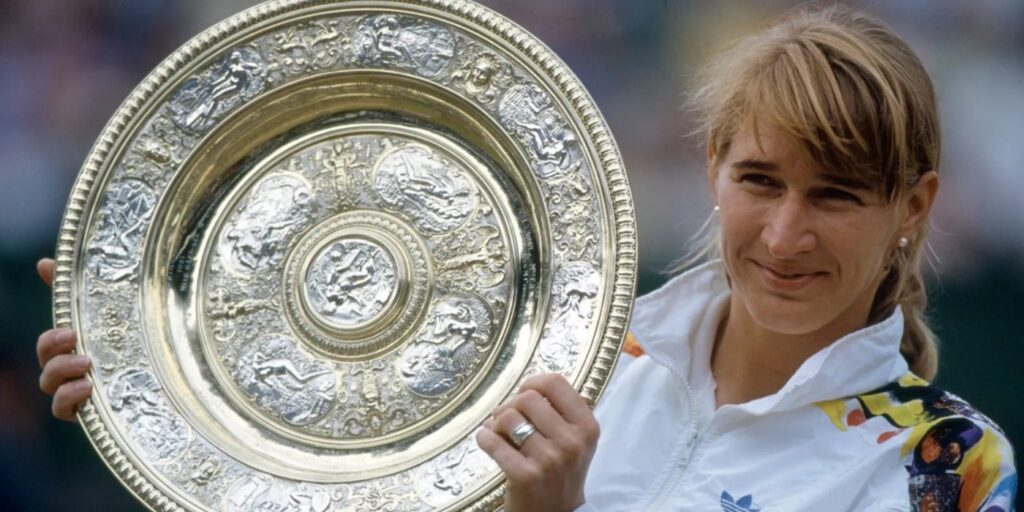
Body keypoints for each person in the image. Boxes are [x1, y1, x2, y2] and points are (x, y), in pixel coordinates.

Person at [36, 4, 1016, 512]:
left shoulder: (950, 466)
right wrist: (150, 384)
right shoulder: (558, 355)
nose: (784, 235)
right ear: (713, 168)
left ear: (913, 206)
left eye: (837, 194)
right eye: (760, 180)